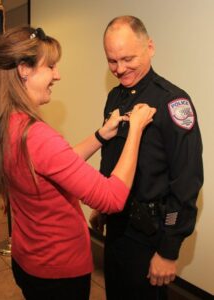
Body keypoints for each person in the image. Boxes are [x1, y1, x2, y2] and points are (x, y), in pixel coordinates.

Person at [0, 26, 156, 300]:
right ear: (24, 70)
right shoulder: (36, 135)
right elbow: (111, 198)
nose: (57, 75)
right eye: (50, 66)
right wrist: (136, 131)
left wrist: (100, 136)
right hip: (58, 274)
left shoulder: (7, 125)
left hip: (29, 262)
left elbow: (56, 164)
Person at [90, 15, 203, 300]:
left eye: (127, 59)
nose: (119, 69)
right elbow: (112, 157)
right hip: (117, 224)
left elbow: (187, 181)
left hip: (149, 234)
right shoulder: (115, 97)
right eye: (111, 61)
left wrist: (168, 250)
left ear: (150, 47)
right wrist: (103, 205)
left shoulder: (173, 102)